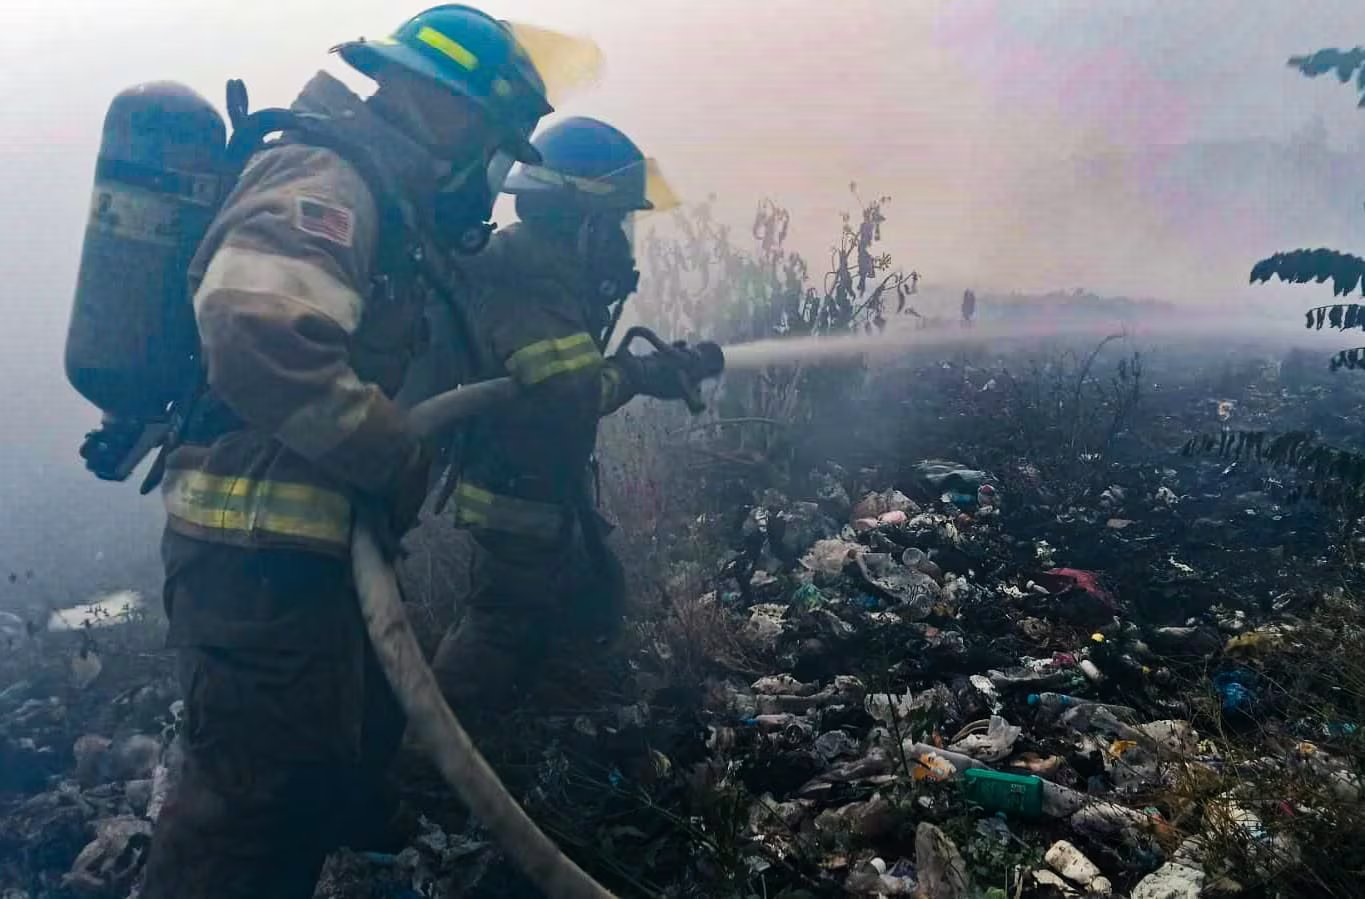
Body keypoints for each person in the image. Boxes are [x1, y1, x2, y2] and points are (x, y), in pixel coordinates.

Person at [139, 7, 553, 898]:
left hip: (295, 557)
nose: (494, 173)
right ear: (444, 111)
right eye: (495, 144)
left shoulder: (382, 200)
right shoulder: (329, 177)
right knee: (247, 806)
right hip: (251, 556)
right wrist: (388, 448)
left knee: (329, 760)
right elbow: (253, 329)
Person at [425, 116, 719, 731]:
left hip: (542, 484)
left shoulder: (547, 269)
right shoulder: (526, 276)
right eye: (613, 222)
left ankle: (552, 722)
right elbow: (565, 390)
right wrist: (641, 376)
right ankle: (430, 748)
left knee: (594, 602)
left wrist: (654, 368)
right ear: (576, 218)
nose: (620, 240)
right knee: (500, 626)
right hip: (514, 493)